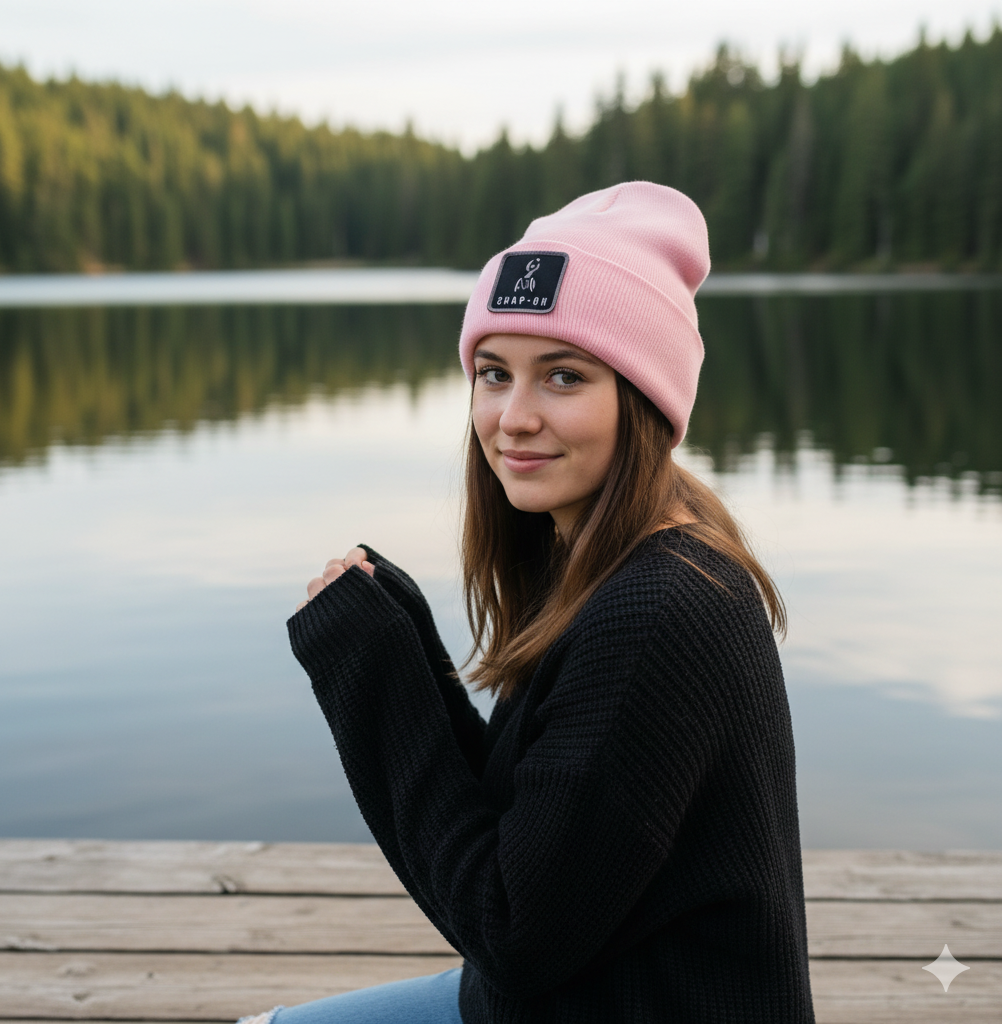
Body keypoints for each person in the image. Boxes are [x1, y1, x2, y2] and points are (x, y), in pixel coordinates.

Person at [248, 181, 814, 1023]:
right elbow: (533, 829)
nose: (513, 418)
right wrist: (410, 645)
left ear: (644, 397)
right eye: (493, 374)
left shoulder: (659, 610)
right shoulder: (600, 554)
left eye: (562, 376)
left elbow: (511, 928)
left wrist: (376, 677)